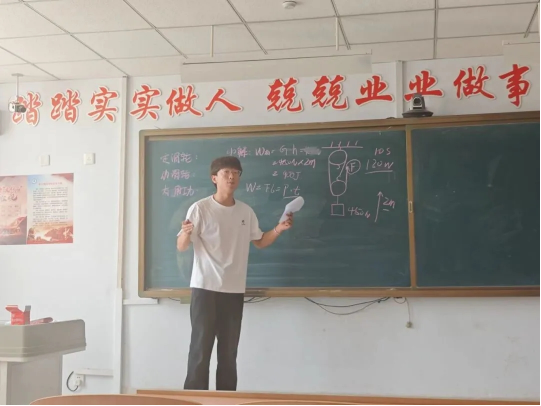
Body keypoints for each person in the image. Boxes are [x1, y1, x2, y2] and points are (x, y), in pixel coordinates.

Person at [176, 156, 294, 391]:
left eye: (236, 173)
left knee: (229, 354)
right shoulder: (200, 208)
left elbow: (260, 241)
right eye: (226, 172)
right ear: (214, 178)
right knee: (200, 351)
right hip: (205, 288)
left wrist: (279, 229)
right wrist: (186, 233)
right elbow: (181, 246)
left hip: (233, 290)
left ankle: (227, 399)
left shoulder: (245, 211)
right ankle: (194, 399)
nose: (231, 177)